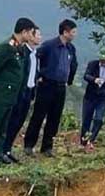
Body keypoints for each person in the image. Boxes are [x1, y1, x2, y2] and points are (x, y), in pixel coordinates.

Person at [0, 17, 38, 165]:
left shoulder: (20, 48)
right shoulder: (7, 47)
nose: (32, 35)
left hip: (12, 95)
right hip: (0, 94)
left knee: (3, 128)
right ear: (24, 32)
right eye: (31, 32)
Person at [23, 19, 79, 157]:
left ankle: (47, 147)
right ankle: (29, 145)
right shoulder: (49, 45)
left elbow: (73, 65)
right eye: (73, 32)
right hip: (47, 85)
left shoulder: (71, 48)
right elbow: (35, 57)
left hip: (61, 87)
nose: (74, 35)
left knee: (55, 117)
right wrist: (39, 75)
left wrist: (69, 80)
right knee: (39, 115)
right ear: (65, 32)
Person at [0, 27, 41, 162]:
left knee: (19, 122)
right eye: (37, 35)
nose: (40, 38)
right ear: (30, 36)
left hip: (29, 92)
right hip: (19, 92)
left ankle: (8, 149)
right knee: (11, 121)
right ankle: (2, 150)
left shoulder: (36, 54)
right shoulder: (23, 52)